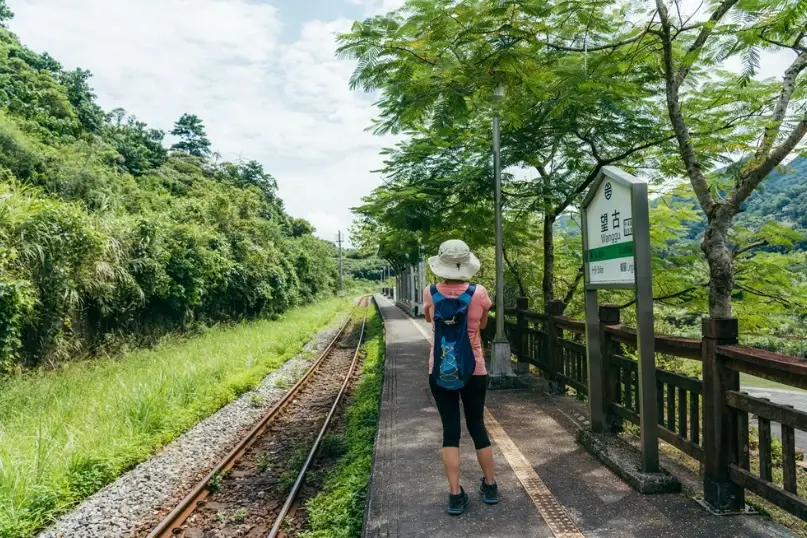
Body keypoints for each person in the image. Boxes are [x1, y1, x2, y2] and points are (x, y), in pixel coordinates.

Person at [423, 239, 498, 516]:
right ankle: (490, 486)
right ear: (465, 264)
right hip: (474, 368)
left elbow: (430, 320)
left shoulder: (430, 292)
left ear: (441, 264)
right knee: (477, 425)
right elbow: (483, 324)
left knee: (450, 431)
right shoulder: (479, 293)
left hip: (440, 368)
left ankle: (455, 495)